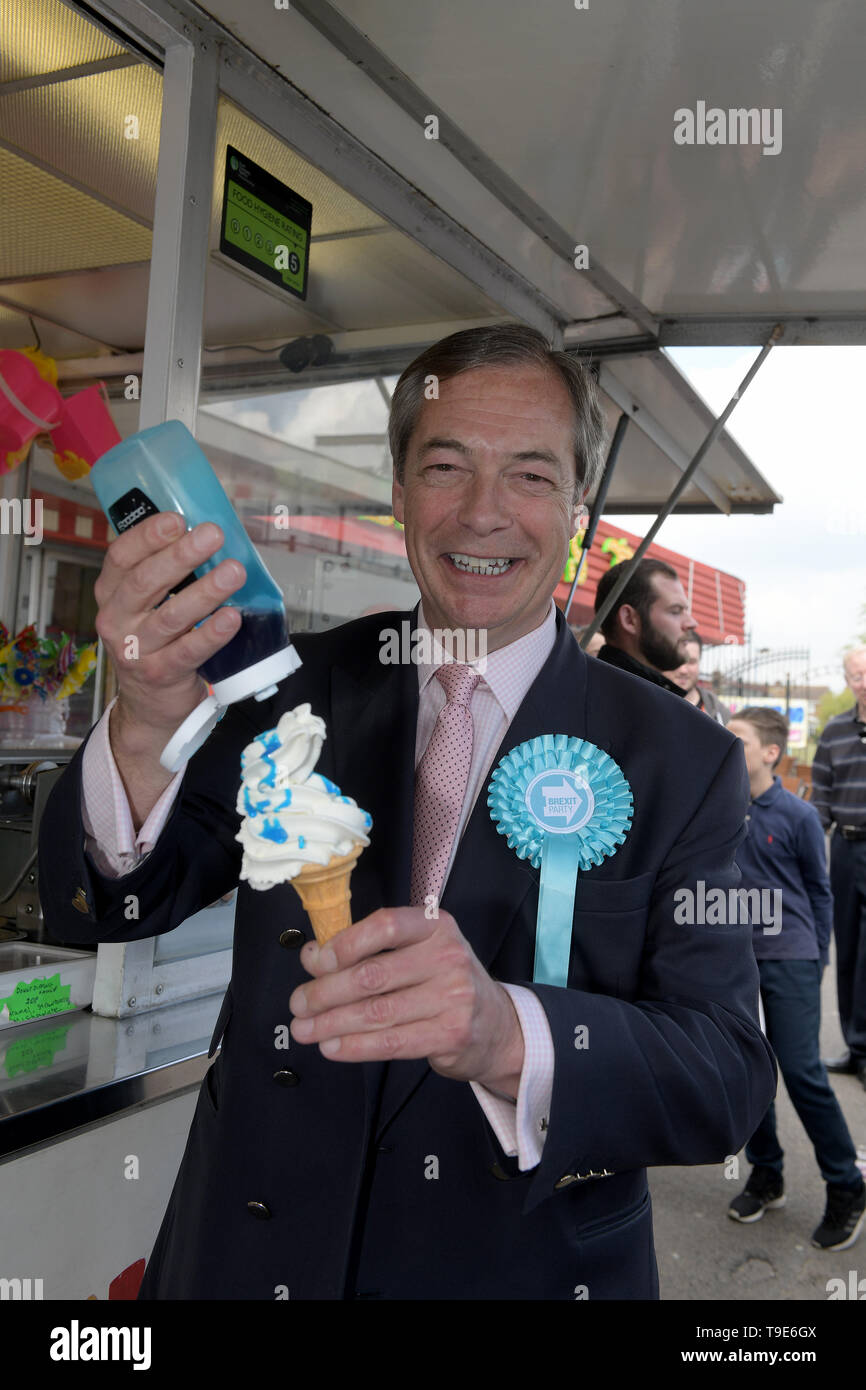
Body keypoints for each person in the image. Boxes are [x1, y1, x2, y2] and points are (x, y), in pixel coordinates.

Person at [38, 324, 775, 1301]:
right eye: (444, 466)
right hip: (246, 1261)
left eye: (527, 475)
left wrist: (505, 1033)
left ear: (577, 509)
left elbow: (721, 1076)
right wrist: (139, 725)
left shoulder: (682, 760)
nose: (481, 514)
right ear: (396, 494)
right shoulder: (286, 682)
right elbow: (121, 901)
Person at [724, 707, 865, 1249]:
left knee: (802, 1072)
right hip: (736, 963)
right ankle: (767, 1173)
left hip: (791, 959)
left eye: (738, 738)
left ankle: (847, 1184)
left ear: (770, 753)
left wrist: (817, 959)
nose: (726, 743)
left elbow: (821, 893)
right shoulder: (718, 807)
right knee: (747, 1070)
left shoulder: (798, 816)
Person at [813, 647, 866, 1090]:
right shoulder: (833, 732)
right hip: (846, 850)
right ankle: (854, 1046)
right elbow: (821, 797)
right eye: (855, 675)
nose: (861, 682)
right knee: (847, 950)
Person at [592, 556, 698, 695]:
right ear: (629, 619)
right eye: (675, 611)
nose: (692, 623)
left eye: (685, 611)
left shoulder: (595, 687)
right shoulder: (609, 698)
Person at [664, 634, 731, 724]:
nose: (683, 670)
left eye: (691, 662)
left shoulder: (720, 713)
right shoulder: (647, 703)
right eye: (677, 660)